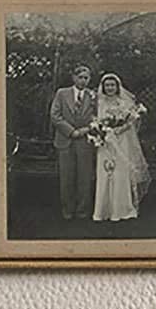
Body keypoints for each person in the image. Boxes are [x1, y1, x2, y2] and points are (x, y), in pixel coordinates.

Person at [91, 73, 151, 224]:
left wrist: (119, 129)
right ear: (103, 87)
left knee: (120, 173)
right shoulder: (98, 102)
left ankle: (121, 209)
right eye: (107, 85)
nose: (110, 88)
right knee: (105, 172)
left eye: (112, 85)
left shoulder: (124, 102)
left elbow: (131, 121)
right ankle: (102, 211)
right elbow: (95, 121)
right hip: (105, 142)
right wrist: (101, 131)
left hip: (121, 141)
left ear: (117, 87)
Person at [49, 63, 99, 221]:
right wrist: (71, 131)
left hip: (85, 141)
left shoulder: (93, 96)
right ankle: (67, 210)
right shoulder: (62, 93)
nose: (84, 80)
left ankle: (82, 211)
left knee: (84, 177)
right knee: (66, 177)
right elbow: (55, 115)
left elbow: (98, 118)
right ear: (74, 77)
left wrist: (86, 130)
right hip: (65, 140)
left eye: (87, 78)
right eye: (80, 77)